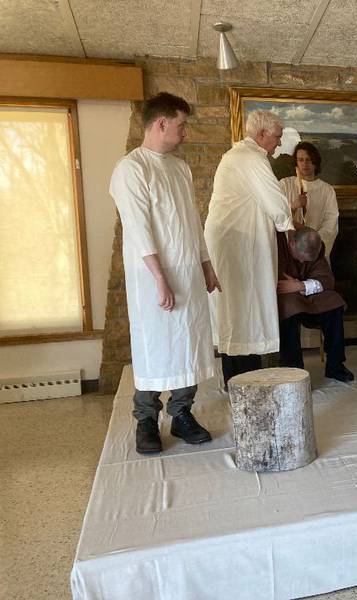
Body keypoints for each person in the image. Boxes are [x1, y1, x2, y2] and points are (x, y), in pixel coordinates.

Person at [109, 92, 219, 455]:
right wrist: (159, 277)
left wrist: (205, 264)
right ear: (161, 124)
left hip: (186, 272)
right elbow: (139, 229)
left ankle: (182, 414)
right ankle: (145, 421)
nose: (185, 132)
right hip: (154, 278)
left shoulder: (180, 168)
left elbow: (191, 223)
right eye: (181, 124)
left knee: (187, 344)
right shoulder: (131, 168)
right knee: (155, 347)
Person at [204, 110, 299, 386]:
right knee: (241, 310)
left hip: (238, 243)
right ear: (261, 135)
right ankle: (244, 382)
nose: (279, 144)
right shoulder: (249, 157)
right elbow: (275, 199)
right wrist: (289, 231)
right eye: (277, 137)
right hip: (235, 246)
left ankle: (239, 380)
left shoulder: (239, 155)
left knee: (238, 311)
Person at [275, 227, 354, 382]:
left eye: (307, 261)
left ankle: (335, 365)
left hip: (306, 293)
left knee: (334, 302)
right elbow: (277, 280)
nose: (303, 262)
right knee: (289, 307)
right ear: (292, 244)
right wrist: (295, 287)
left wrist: (300, 286)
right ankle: (293, 370)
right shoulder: (277, 243)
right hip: (285, 296)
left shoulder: (315, 246)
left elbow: (326, 279)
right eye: (300, 258)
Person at [279, 142, 339, 259]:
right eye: (300, 160)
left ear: (315, 162)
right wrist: (293, 206)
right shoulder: (285, 185)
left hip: (315, 251)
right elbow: (276, 216)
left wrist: (312, 242)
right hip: (290, 251)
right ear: (296, 162)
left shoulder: (327, 190)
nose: (305, 164)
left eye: (309, 160)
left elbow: (330, 224)